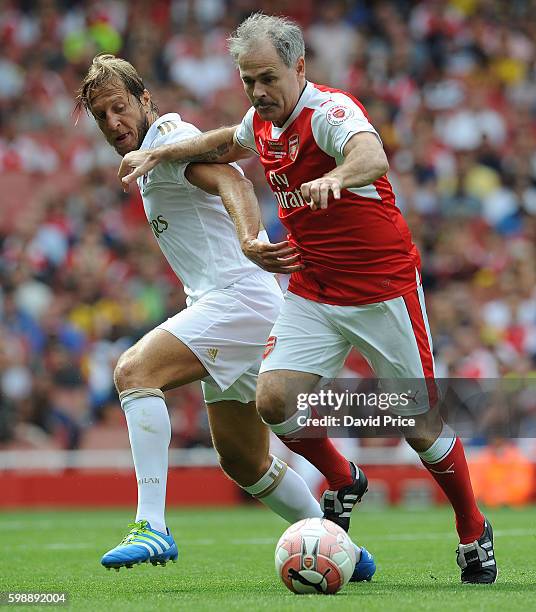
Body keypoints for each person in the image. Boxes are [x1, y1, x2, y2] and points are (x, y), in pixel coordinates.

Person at [118, 14, 497, 584]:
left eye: (268, 78)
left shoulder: (329, 112)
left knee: (419, 426)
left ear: (299, 67)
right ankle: (343, 479)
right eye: (248, 81)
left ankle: (473, 530)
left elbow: (373, 157)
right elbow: (223, 143)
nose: (259, 92)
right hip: (313, 288)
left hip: (380, 289)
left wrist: (337, 176)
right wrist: (160, 155)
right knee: (273, 401)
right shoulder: (261, 122)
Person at [77, 54, 375, 580]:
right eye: (101, 116)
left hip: (238, 298)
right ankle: (347, 554)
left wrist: (249, 239)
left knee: (134, 372)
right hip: (227, 303)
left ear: (145, 100)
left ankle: (152, 526)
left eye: (120, 107)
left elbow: (233, 183)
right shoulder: (149, 156)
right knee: (243, 460)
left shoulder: (168, 136)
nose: (113, 123)